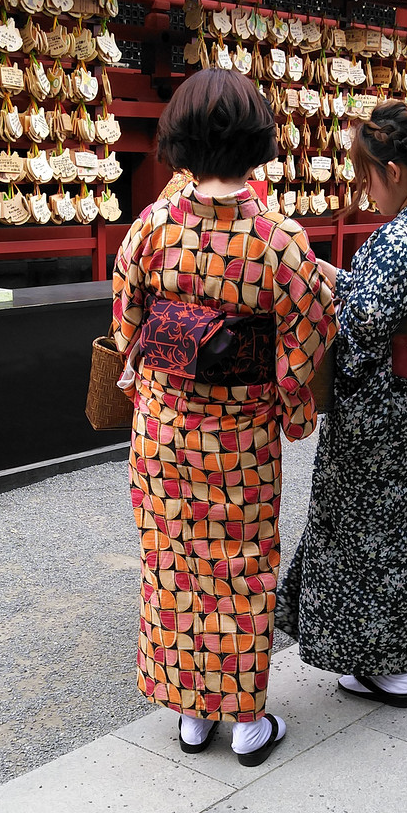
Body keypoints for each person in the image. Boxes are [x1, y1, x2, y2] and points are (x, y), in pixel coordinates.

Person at [113, 70, 335, 767]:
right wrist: (292, 410)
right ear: (258, 145)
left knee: (174, 563)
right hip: (239, 440)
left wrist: (152, 384)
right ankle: (245, 721)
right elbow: (306, 336)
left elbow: (128, 326)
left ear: (177, 143)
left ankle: (188, 715)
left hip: (164, 435)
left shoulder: (150, 228)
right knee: (239, 567)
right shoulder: (279, 239)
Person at [275, 99, 407, 707]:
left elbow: (360, 323)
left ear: (393, 171)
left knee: (363, 530)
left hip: (374, 403)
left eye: (366, 176)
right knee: (397, 524)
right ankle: (397, 655)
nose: (364, 190)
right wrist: (339, 276)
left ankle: (383, 665)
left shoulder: (401, 236)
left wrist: (322, 286)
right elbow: (377, 300)